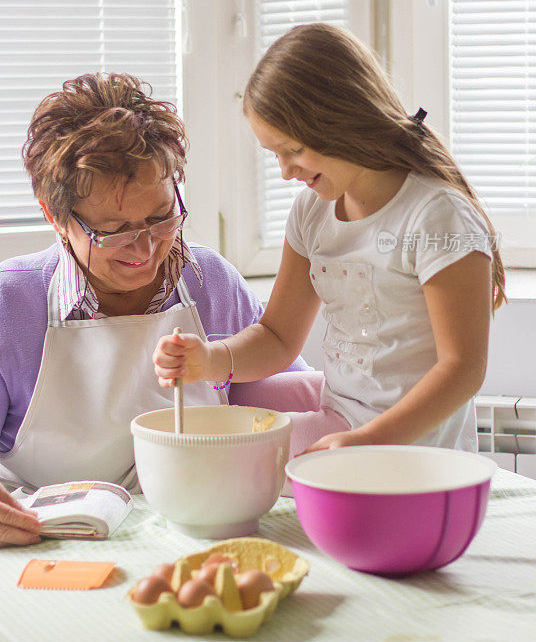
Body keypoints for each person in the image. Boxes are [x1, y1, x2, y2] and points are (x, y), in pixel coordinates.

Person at [154, 23, 506, 464]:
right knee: (225, 398)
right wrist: (208, 359)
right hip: (341, 407)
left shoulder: (437, 216)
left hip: (406, 442)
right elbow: (278, 336)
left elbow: (462, 372)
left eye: (294, 150)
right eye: (275, 155)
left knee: (226, 457)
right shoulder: (312, 213)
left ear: (344, 120)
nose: (285, 171)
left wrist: (367, 441)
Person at [0, 71, 312, 547]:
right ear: (55, 217)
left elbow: (300, 402)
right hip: (51, 548)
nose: (146, 248)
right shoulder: (12, 307)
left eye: (162, 217)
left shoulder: (209, 284)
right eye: (115, 230)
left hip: (198, 539)